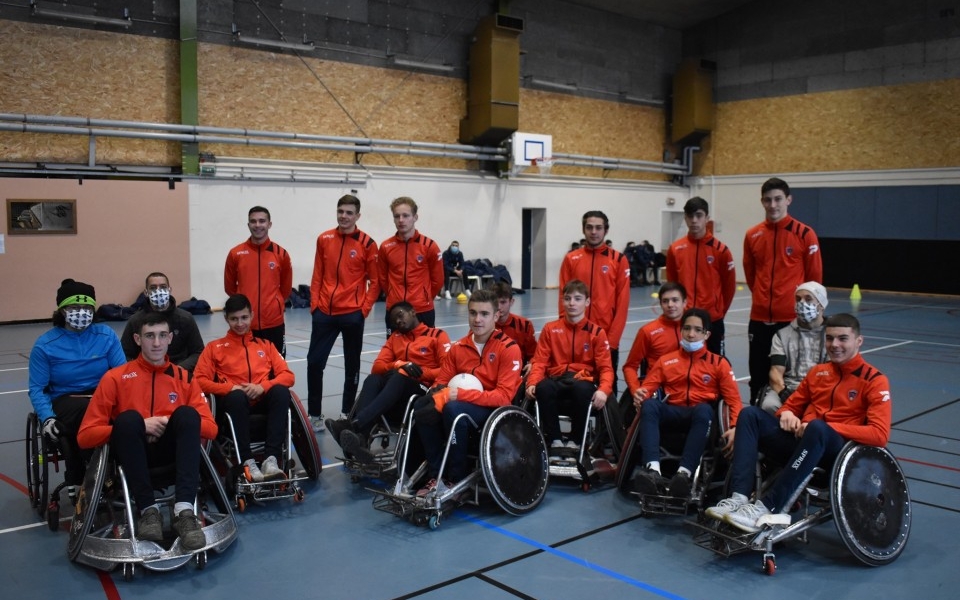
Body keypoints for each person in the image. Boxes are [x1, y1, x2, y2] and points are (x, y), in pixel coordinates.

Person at [705, 314, 891, 533]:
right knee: (750, 415)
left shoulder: (874, 380)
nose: (835, 345)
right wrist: (788, 414)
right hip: (805, 444)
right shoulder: (818, 373)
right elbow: (789, 407)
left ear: (858, 341)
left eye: (843, 339)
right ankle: (738, 498)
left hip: (836, 455)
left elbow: (879, 435)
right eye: (830, 339)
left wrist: (827, 427)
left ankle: (767, 506)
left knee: (818, 427)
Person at [77, 312, 217, 551]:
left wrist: (168, 421)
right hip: (131, 455)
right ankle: (147, 511)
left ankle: (184, 512)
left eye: (162, 335)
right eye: (149, 336)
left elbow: (211, 429)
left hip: (171, 454)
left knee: (187, 414)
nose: (156, 343)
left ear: (171, 338)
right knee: (129, 419)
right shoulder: (115, 378)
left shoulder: (184, 377)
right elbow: (85, 436)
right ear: (137, 339)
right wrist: (140, 426)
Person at [411, 289, 522, 495]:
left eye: (484, 314)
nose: (477, 319)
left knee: (454, 409)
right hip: (461, 403)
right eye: (473, 313)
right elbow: (442, 381)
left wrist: (458, 395)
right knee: (422, 404)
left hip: (492, 411)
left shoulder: (509, 348)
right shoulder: (458, 347)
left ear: (496, 316)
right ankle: (436, 475)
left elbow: (503, 397)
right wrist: (433, 396)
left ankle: (456, 477)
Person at [630, 308, 743, 498]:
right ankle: (653, 471)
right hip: (673, 411)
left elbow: (734, 400)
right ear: (681, 331)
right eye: (687, 328)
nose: (691, 334)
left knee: (704, 409)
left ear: (706, 334)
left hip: (700, 416)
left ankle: (684, 474)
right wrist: (641, 394)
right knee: (649, 405)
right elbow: (648, 387)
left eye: (697, 330)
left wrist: (734, 425)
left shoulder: (719, 363)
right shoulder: (666, 360)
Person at [28, 279, 126, 489]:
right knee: (89, 412)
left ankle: (115, 470)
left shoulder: (106, 335)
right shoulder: (45, 345)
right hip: (66, 400)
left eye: (87, 308)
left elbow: (122, 375)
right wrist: (46, 417)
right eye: (75, 308)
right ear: (63, 310)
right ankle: (88, 474)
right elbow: (37, 389)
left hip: (102, 394)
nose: (82, 313)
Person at [328, 302, 451, 461]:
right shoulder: (395, 338)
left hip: (421, 393)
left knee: (399, 377)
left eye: (400, 315)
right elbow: (377, 367)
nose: (398, 322)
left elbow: (447, 370)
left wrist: (420, 373)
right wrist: (398, 364)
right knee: (373, 379)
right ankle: (361, 439)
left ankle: (354, 425)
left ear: (413, 312)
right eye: (394, 321)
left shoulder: (437, 335)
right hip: (394, 396)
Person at [194, 294, 294, 482]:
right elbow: (199, 380)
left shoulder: (266, 345)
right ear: (226, 319)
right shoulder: (214, 348)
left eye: (244, 318)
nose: (240, 323)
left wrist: (263, 387)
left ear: (252, 316)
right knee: (238, 397)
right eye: (234, 319)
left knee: (281, 391)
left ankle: (270, 460)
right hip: (233, 403)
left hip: (261, 399)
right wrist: (230, 388)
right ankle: (247, 461)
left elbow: (288, 376)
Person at [743, 178, 822, 404]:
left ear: (788, 200)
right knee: (757, 377)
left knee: (790, 378)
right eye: (768, 200)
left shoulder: (805, 234)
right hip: (758, 320)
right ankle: (755, 425)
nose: (773, 205)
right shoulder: (752, 235)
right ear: (762, 202)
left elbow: (814, 280)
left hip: (790, 321)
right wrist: (761, 296)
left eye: (778, 199)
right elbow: (751, 275)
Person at [306, 194, 380, 431]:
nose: (344, 216)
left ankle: (346, 412)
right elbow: (318, 274)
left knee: (352, 366)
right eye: (341, 211)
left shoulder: (368, 244)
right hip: (324, 313)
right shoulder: (324, 239)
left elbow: (376, 282)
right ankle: (314, 414)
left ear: (357, 216)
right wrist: (315, 305)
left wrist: (363, 310)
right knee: (314, 363)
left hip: (352, 315)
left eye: (349, 213)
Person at [526, 280, 614, 458]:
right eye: (567, 299)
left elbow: (606, 368)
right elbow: (540, 362)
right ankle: (555, 441)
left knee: (582, 388)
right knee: (543, 387)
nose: (572, 303)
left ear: (587, 302)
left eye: (577, 298)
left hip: (582, 380)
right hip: (557, 380)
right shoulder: (550, 329)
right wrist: (532, 382)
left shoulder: (597, 333)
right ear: (562, 301)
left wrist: (604, 390)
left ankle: (576, 440)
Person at [558, 211, 631, 396]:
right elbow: (563, 296)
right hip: (576, 335)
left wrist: (612, 340)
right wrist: (565, 329)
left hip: (605, 336)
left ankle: (609, 425)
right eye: (589, 227)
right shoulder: (571, 259)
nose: (593, 232)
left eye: (598, 227)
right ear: (583, 229)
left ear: (606, 230)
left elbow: (623, 303)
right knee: (576, 383)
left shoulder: (618, 260)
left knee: (607, 385)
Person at [666, 197, 736, 355]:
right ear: (685, 218)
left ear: (707, 218)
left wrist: (718, 313)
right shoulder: (675, 249)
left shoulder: (721, 250)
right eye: (690, 216)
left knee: (715, 365)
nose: (694, 220)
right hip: (685, 319)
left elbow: (729, 287)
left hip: (713, 321)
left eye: (698, 215)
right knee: (684, 364)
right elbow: (673, 285)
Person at [224, 206, 293, 356]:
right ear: (248, 224)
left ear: (269, 224)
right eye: (253, 221)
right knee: (246, 367)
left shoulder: (281, 254)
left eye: (262, 221)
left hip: (274, 323)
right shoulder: (235, 254)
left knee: (276, 369)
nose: (257, 225)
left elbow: (286, 289)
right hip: (245, 325)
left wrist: (275, 304)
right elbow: (230, 288)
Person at [759, 281, 829, 414]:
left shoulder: (831, 334)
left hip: (820, 390)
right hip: (789, 387)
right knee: (769, 405)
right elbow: (775, 372)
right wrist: (784, 393)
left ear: (821, 304)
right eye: (798, 299)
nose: (802, 303)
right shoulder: (782, 335)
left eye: (808, 299)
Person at [378, 197, 444, 334]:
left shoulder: (430, 246)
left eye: (406, 215)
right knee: (395, 353)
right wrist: (393, 295)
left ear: (415, 217)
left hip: (422, 310)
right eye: (397, 216)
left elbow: (438, 280)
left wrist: (423, 298)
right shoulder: (385, 247)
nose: (401, 220)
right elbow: (383, 279)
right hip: (395, 309)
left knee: (425, 353)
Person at [121, 272, 204, 372]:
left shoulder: (186, 318)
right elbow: (124, 354)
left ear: (169, 290)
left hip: (179, 373)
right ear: (146, 292)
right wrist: (140, 371)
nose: (158, 291)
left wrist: (179, 369)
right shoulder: (135, 320)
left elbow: (199, 352)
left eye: (163, 287)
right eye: (153, 287)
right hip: (146, 373)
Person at [622, 282, 687, 403]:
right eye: (665, 301)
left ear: (684, 302)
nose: (670, 305)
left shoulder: (694, 329)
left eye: (675, 300)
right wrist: (636, 390)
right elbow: (630, 366)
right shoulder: (648, 331)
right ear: (661, 304)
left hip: (688, 388)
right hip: (659, 391)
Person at [491, 281, 538, 371]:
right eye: (495, 302)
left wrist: (532, 363)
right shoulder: (483, 324)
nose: (499, 307)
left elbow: (534, 354)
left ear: (511, 302)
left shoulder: (525, 325)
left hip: (517, 372)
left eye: (503, 302)